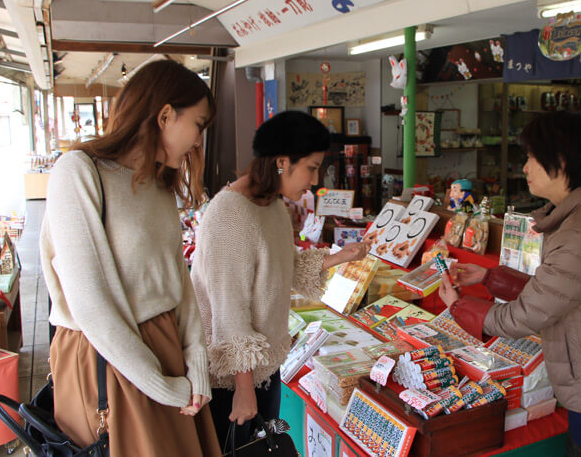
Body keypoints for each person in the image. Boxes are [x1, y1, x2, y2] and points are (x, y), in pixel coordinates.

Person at [438, 111, 581, 457]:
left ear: (561, 161)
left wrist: (456, 307)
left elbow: (524, 316)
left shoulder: (580, 234)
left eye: (531, 157)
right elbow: (555, 290)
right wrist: (489, 276)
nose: (525, 167)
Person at [40, 59, 221, 456]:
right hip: (106, 357)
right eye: (199, 124)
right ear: (166, 115)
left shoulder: (158, 182)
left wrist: (196, 363)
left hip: (163, 349)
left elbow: (177, 279)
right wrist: (160, 385)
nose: (198, 140)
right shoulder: (79, 172)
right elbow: (90, 304)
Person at [192, 110, 369, 449]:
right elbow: (229, 312)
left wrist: (342, 257)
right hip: (228, 380)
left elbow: (284, 265)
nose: (315, 181)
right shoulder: (229, 215)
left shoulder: (271, 205)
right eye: (312, 167)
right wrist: (243, 390)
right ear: (283, 162)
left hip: (261, 367)